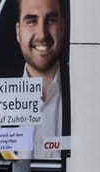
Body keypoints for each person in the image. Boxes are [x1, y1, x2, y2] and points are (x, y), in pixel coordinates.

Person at [13, 0, 67, 160]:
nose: (42, 34)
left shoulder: (85, 99)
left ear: (62, 28)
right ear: (18, 32)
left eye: (50, 20)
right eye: (31, 21)